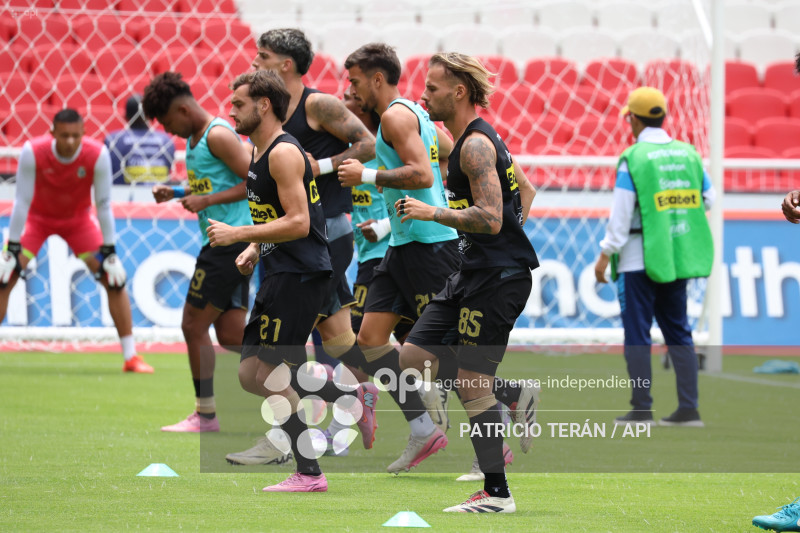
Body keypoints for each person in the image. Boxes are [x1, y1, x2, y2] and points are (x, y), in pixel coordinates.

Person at [204, 69, 377, 492]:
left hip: (301, 274)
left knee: (271, 375)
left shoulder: (282, 153)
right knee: (250, 375)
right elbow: (280, 215)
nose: (231, 111)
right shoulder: (260, 150)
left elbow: (300, 222)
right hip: (281, 269)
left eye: (239, 103)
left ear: (263, 105)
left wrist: (238, 234)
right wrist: (255, 247)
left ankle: (309, 472)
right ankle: (349, 397)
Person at [394, 53, 539, 513]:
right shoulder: (468, 141)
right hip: (471, 273)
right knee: (413, 355)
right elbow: (527, 191)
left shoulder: (475, 145)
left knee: (473, 381)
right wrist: (498, 242)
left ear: (458, 92)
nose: (423, 96)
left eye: (432, 89)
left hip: (497, 280)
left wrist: (433, 212)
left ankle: (496, 493)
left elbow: (493, 218)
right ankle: (512, 394)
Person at [338, 43, 460, 474]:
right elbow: (444, 152)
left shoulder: (395, 115)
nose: (350, 90)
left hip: (429, 245)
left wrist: (368, 174)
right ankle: (423, 428)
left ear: (376, 79)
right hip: (402, 246)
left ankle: (506, 401)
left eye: (354, 81)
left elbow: (423, 172)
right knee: (370, 341)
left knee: (448, 353)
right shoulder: (413, 114)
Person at [593, 87, 714, 428]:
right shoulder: (689, 153)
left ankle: (642, 409)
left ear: (633, 118)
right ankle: (689, 410)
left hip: (636, 258)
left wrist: (604, 255)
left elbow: (621, 216)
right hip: (674, 255)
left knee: (637, 335)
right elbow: (709, 198)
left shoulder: (633, 158)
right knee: (679, 332)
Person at [141, 72, 254, 432]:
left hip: (228, 242)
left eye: (167, 121)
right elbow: (215, 182)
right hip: (226, 243)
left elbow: (255, 181)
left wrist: (206, 201)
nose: (167, 130)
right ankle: (310, 378)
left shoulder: (217, 135)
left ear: (183, 110)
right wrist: (176, 192)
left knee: (192, 324)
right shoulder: (197, 138)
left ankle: (205, 415)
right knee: (232, 336)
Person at [0, 108, 152, 373]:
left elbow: (103, 204)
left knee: (113, 279)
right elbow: (22, 201)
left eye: (75, 136)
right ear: (52, 133)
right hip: (38, 220)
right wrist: (11, 248)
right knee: (5, 276)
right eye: (64, 136)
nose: (70, 141)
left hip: (78, 222)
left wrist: (110, 251)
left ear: (83, 133)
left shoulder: (97, 154)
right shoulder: (32, 152)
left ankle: (131, 357)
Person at [104, 94, 175, 185]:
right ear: (149, 115)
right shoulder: (166, 141)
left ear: (126, 116)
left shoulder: (113, 140)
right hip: (160, 192)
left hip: (122, 193)